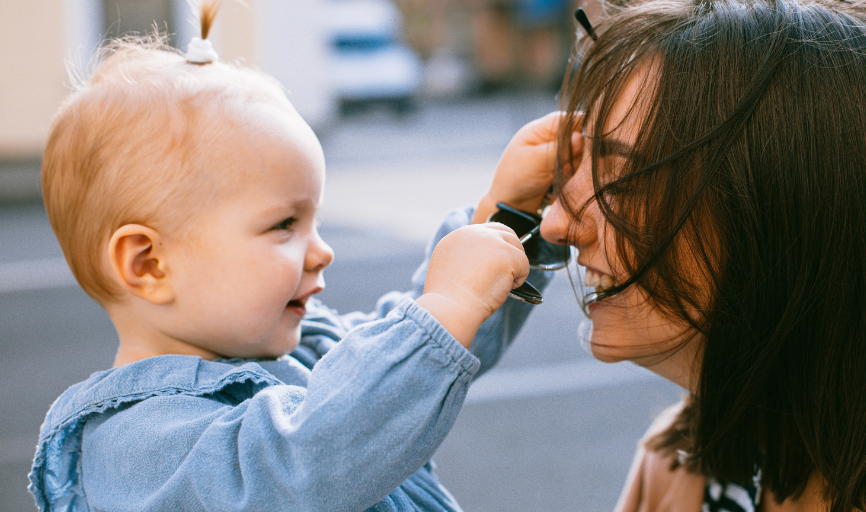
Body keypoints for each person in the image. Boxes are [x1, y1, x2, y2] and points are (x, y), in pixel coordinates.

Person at [28, 2, 567, 510]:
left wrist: (506, 216)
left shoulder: (299, 355)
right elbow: (305, 461)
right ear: (149, 264)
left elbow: (402, 362)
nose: (322, 251)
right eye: (284, 224)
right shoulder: (138, 447)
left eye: (314, 221)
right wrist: (449, 304)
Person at [524, 0, 866, 510]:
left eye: (622, 180)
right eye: (577, 166)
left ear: (792, 214)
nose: (555, 224)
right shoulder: (685, 463)